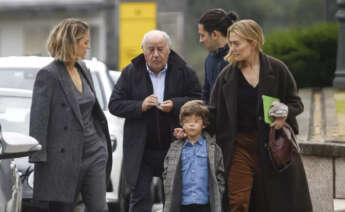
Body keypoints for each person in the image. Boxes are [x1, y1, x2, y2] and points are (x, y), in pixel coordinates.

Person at [209, 19, 312, 211]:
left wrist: (284, 114)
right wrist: (193, 125)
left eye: (237, 43)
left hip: (272, 147)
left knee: (273, 202)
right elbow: (213, 113)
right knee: (238, 202)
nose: (232, 48)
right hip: (238, 147)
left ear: (253, 42)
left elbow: (296, 103)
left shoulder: (277, 69)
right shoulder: (226, 76)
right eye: (230, 43)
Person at [108, 30, 202, 212]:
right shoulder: (131, 72)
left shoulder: (184, 71)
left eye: (160, 49)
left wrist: (175, 104)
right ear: (143, 51)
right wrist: (140, 106)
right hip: (141, 148)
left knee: (175, 199)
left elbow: (199, 100)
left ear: (169, 50)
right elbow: (114, 104)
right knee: (140, 198)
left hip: (174, 145)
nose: (156, 54)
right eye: (151, 50)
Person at [29, 18, 112, 212]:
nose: (88, 47)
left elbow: (93, 111)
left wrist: (102, 144)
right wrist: (39, 160)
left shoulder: (83, 69)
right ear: (71, 43)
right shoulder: (48, 75)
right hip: (64, 158)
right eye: (85, 42)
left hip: (94, 152)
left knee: (99, 208)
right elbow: (38, 120)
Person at [163, 100, 225, 212]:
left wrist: (218, 193)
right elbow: (166, 172)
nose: (191, 124)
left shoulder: (213, 148)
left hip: (205, 204)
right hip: (182, 205)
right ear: (182, 124)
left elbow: (220, 174)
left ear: (204, 124)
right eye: (187, 121)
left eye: (196, 121)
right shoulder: (174, 148)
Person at [198, 8, 239, 103]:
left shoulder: (238, 58)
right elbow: (206, 95)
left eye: (202, 35)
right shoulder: (209, 59)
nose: (200, 40)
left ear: (215, 34)